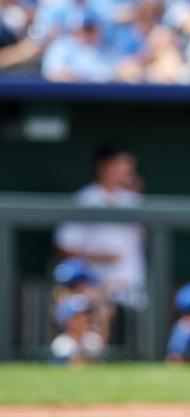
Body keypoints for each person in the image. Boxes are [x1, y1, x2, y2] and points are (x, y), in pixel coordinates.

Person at [54, 142, 146, 350]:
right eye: (123, 165)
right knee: (95, 348)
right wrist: (100, 258)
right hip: (96, 294)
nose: (128, 171)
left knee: (133, 354)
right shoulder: (85, 200)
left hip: (133, 292)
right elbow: (64, 248)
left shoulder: (134, 201)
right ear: (105, 167)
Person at [50, 294, 105, 365]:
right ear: (66, 321)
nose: (84, 320)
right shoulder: (61, 343)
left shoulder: (93, 339)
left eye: (86, 316)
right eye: (78, 318)